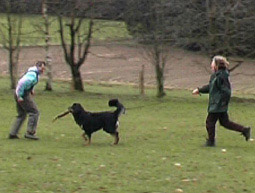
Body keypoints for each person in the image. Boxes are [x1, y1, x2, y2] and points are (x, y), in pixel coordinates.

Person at [192, 56, 251, 146]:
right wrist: (199, 90)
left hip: (218, 104)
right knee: (225, 122)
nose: (211, 65)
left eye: (212, 63)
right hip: (217, 103)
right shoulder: (216, 75)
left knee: (210, 122)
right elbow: (210, 87)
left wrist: (222, 102)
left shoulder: (222, 76)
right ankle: (244, 130)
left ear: (216, 65)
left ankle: (211, 142)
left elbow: (226, 91)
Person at [9, 61, 46, 140]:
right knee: (34, 112)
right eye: (42, 68)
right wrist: (20, 96)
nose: (43, 70)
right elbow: (21, 83)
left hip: (18, 93)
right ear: (38, 67)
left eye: (44, 69)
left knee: (22, 114)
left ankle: (13, 133)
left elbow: (29, 83)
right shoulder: (32, 74)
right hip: (22, 95)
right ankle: (30, 132)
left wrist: (31, 90)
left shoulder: (33, 72)